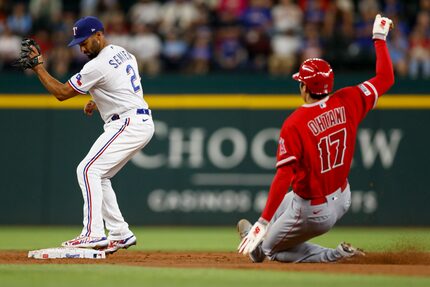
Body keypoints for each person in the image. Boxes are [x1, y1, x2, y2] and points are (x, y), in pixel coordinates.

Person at [237, 14, 394, 263]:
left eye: (301, 82)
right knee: (285, 203)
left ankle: (335, 255)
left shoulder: (295, 123)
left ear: (305, 88)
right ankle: (259, 239)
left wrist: (262, 223)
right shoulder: (349, 98)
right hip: (342, 197)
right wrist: (379, 38)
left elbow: (284, 176)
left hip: (313, 211)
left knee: (269, 251)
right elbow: (386, 78)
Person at [24, 16, 155, 254]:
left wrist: (38, 67)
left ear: (99, 35)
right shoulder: (123, 52)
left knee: (87, 170)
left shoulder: (97, 65)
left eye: (85, 41)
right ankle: (119, 233)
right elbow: (123, 83)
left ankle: (93, 234)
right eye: (79, 43)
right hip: (137, 119)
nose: (82, 47)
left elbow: (62, 93)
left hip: (128, 122)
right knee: (100, 175)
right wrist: (97, 99)